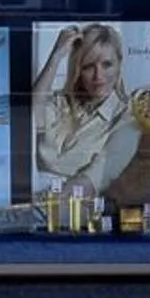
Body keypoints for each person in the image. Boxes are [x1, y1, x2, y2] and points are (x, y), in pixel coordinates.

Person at [33, 22, 138, 197]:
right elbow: (28, 117)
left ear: (119, 65)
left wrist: (45, 204)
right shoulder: (62, 103)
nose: (98, 76)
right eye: (89, 66)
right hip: (32, 195)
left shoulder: (127, 120)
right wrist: (56, 56)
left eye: (107, 65)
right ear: (78, 69)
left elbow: (92, 180)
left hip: (70, 204)